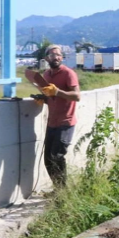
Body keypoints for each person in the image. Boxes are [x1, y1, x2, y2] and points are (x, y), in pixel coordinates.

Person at [38, 45, 80, 188]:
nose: (55, 57)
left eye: (58, 55)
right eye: (52, 55)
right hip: (52, 123)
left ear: (62, 57)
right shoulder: (46, 76)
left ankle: (63, 192)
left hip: (65, 123)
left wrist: (57, 92)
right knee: (48, 160)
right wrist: (42, 98)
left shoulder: (68, 74)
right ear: (46, 58)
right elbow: (49, 96)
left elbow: (76, 96)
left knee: (57, 156)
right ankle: (58, 189)